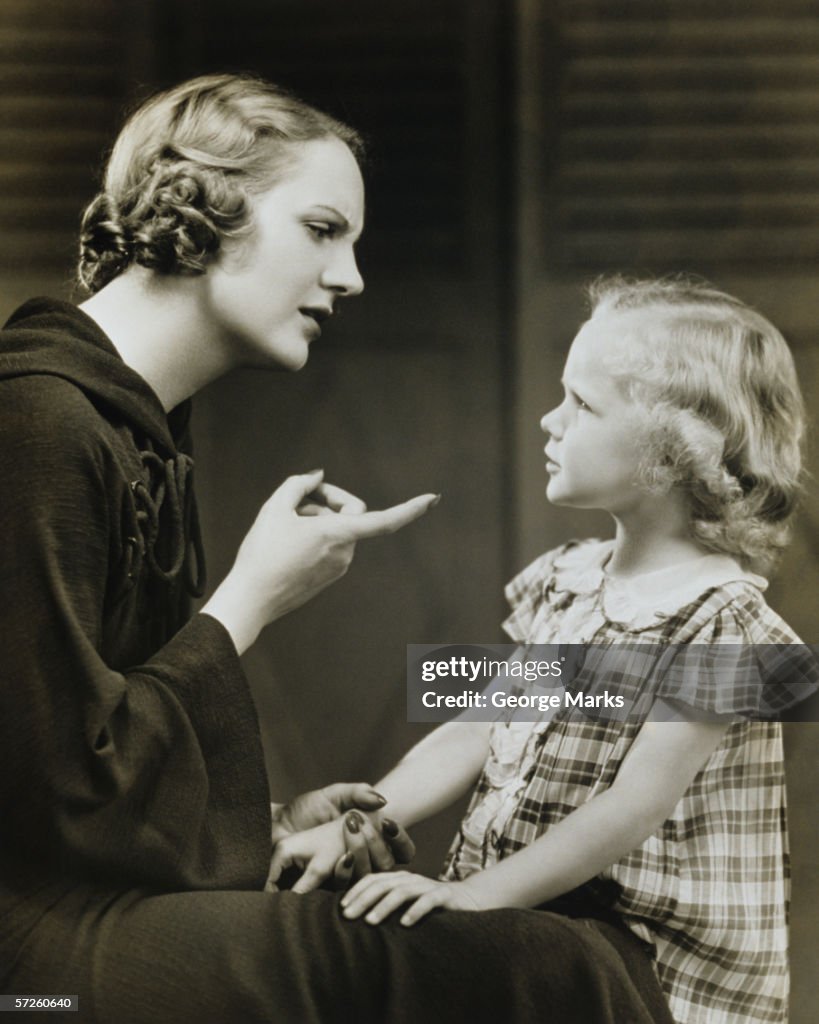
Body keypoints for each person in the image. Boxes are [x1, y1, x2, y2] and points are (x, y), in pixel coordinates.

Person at [0, 74, 676, 1024]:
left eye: (587, 403)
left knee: (565, 952)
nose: (352, 278)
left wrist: (271, 825)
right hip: (29, 955)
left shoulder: (138, 433)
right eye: (323, 230)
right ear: (200, 217)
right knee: (536, 966)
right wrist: (250, 599)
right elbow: (63, 787)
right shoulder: (36, 421)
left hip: (82, 904)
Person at [273, 278, 816, 1024]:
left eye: (582, 404)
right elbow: (476, 728)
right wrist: (357, 824)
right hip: (530, 912)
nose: (548, 420)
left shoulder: (720, 626)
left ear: (676, 450)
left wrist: (471, 896)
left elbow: (632, 806)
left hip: (637, 956)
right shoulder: (567, 581)